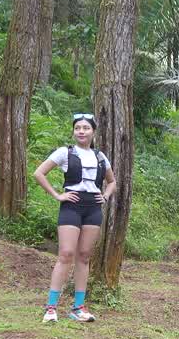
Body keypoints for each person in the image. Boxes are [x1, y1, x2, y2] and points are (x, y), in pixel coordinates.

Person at [32, 113, 116, 323]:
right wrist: (57, 195)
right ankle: (51, 308)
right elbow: (39, 173)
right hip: (71, 205)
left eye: (86, 128)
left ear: (93, 132)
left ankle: (78, 307)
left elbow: (112, 181)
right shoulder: (64, 152)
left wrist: (104, 195)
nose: (81, 131)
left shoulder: (100, 156)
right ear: (73, 131)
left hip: (93, 207)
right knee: (66, 254)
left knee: (85, 255)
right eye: (78, 128)